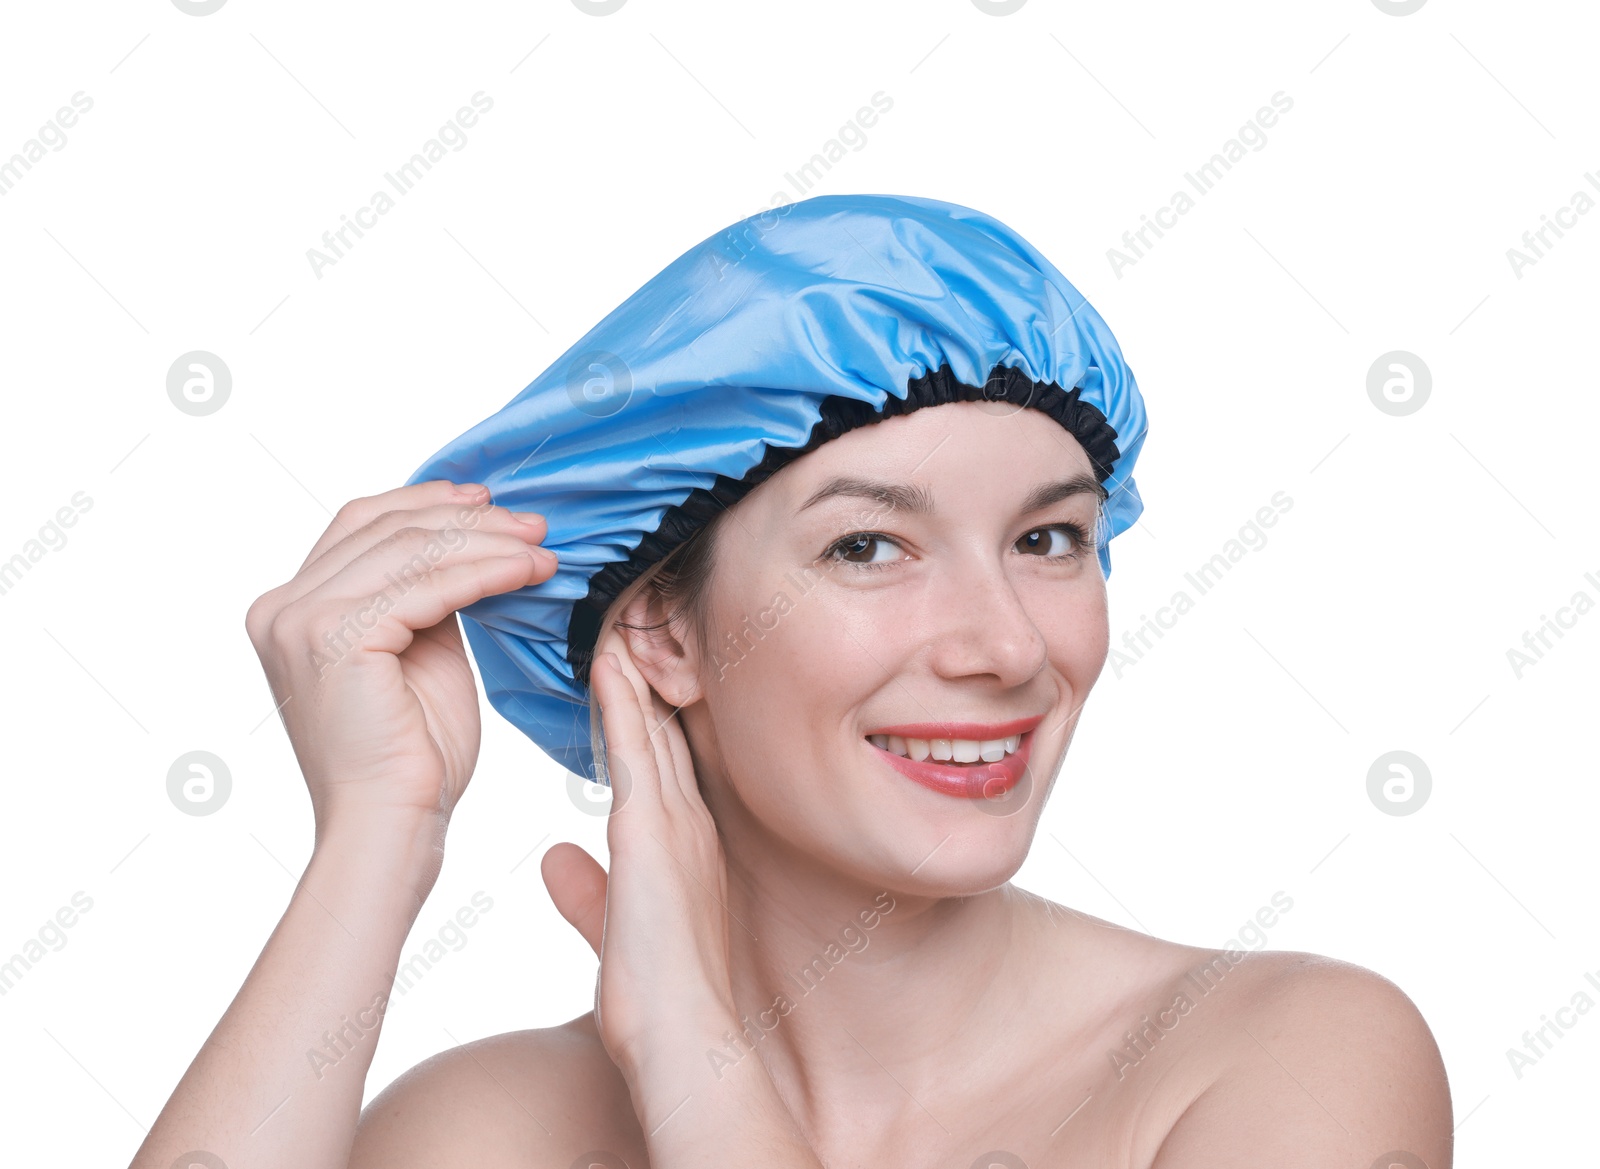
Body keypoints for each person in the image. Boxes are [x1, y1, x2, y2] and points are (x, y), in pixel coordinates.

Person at [130, 196, 1452, 1169]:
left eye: (1048, 538)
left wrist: (700, 1064)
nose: (1003, 645)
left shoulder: (1287, 1060)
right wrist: (378, 828)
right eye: (869, 545)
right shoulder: (487, 1132)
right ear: (660, 632)